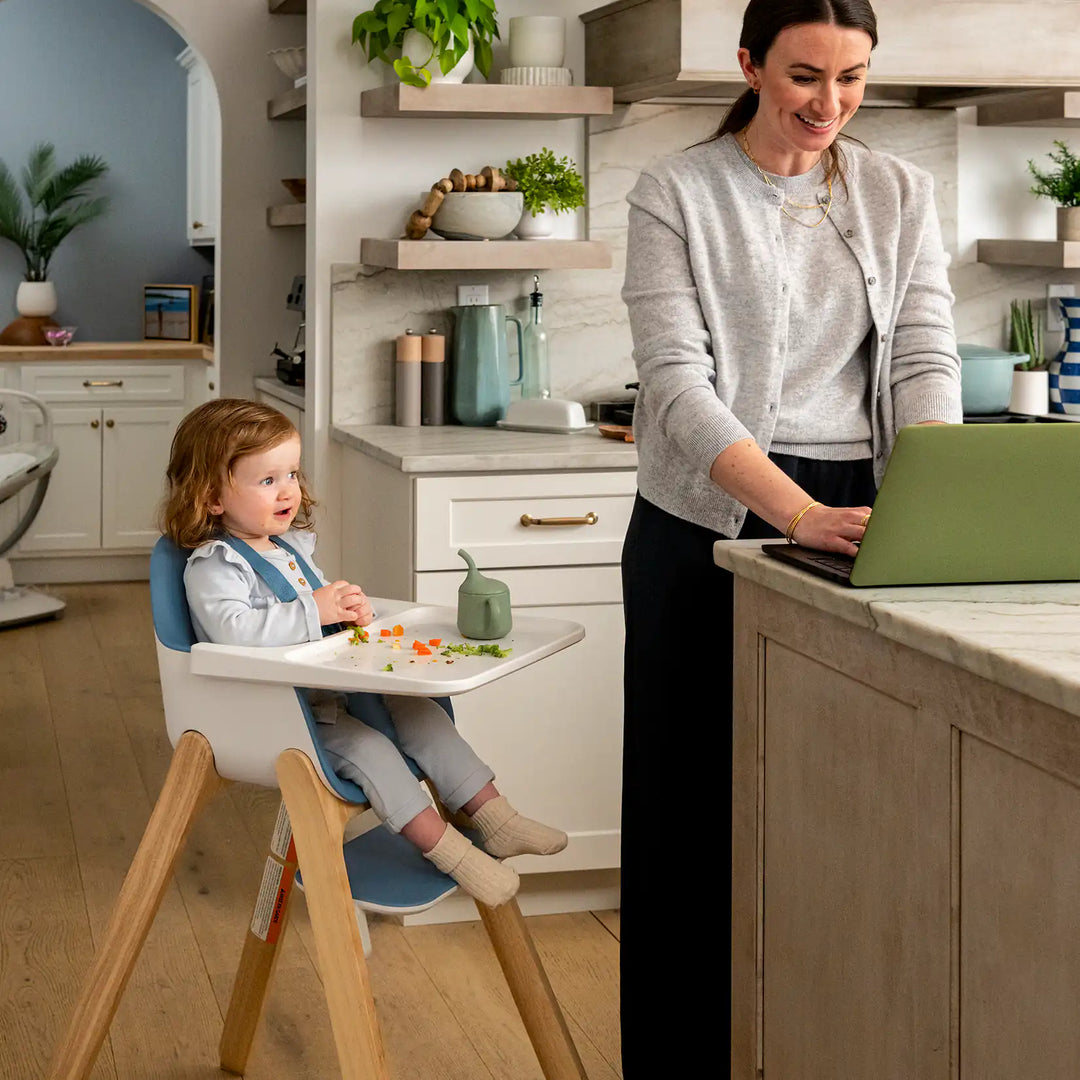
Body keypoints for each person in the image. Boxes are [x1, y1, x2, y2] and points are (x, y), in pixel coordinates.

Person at [618, 0, 962, 1070]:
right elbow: (676, 385)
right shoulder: (676, 190)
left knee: (836, 811)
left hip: (862, 511)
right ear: (751, 67)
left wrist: (932, 496)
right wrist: (795, 513)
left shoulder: (902, 191)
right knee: (691, 819)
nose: (831, 104)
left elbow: (923, 355)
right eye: (806, 76)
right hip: (710, 517)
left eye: (853, 78)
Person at [160, 398, 567, 908]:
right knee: (373, 751)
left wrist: (349, 611)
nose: (288, 490)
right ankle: (455, 857)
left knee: (420, 712)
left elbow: (319, 610)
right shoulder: (214, 566)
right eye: (267, 481)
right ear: (212, 497)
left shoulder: (287, 547)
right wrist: (316, 607)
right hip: (282, 714)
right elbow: (235, 634)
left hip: (331, 693)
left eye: (291, 472)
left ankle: (495, 818)